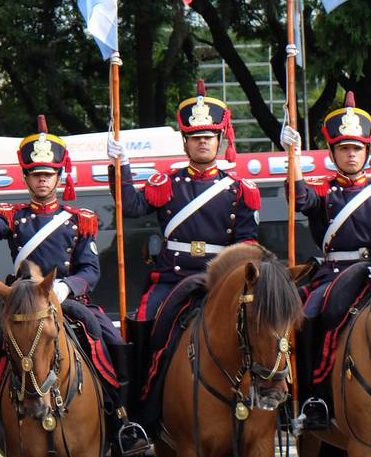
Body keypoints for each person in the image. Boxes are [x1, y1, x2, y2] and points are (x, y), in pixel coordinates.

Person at [0, 116, 149, 457]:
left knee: (109, 339)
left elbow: (90, 270)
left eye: (48, 174)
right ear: (26, 177)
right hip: (23, 303)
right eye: (35, 174)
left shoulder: (79, 219)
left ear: (59, 176)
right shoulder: (13, 216)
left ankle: (122, 420)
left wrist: (67, 286)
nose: (42, 180)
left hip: (67, 300)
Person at [106, 79, 261, 434]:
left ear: (220, 140)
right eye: (196, 136)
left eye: (209, 135)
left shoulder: (239, 191)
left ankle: (270, 398)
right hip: (174, 279)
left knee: (262, 325)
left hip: (220, 281)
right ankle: (139, 410)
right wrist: (121, 165)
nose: (203, 141)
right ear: (186, 141)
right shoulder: (167, 183)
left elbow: (248, 242)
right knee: (146, 321)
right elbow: (129, 206)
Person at [278, 93, 371, 430]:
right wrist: (291, 158)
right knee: (305, 319)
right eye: (343, 148)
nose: (350, 154)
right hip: (333, 276)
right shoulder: (322, 192)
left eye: (356, 148)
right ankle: (313, 397)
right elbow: (298, 199)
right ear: (333, 153)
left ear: (367, 151)